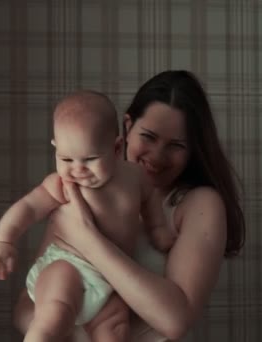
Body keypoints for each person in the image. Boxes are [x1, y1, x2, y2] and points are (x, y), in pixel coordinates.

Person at [13, 70, 246, 341]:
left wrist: (88, 239)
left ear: (193, 149)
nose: (157, 156)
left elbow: (176, 320)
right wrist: (57, 321)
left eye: (175, 145)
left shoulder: (198, 204)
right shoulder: (85, 190)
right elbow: (25, 310)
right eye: (148, 136)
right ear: (126, 128)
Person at [0, 90, 175, 341]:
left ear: (116, 148)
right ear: (55, 149)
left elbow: (150, 203)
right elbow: (27, 208)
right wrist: (3, 241)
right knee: (53, 317)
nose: (77, 170)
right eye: (66, 158)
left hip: (109, 278)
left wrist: (158, 229)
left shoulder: (135, 178)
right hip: (66, 266)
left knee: (116, 329)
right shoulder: (60, 184)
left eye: (90, 159)